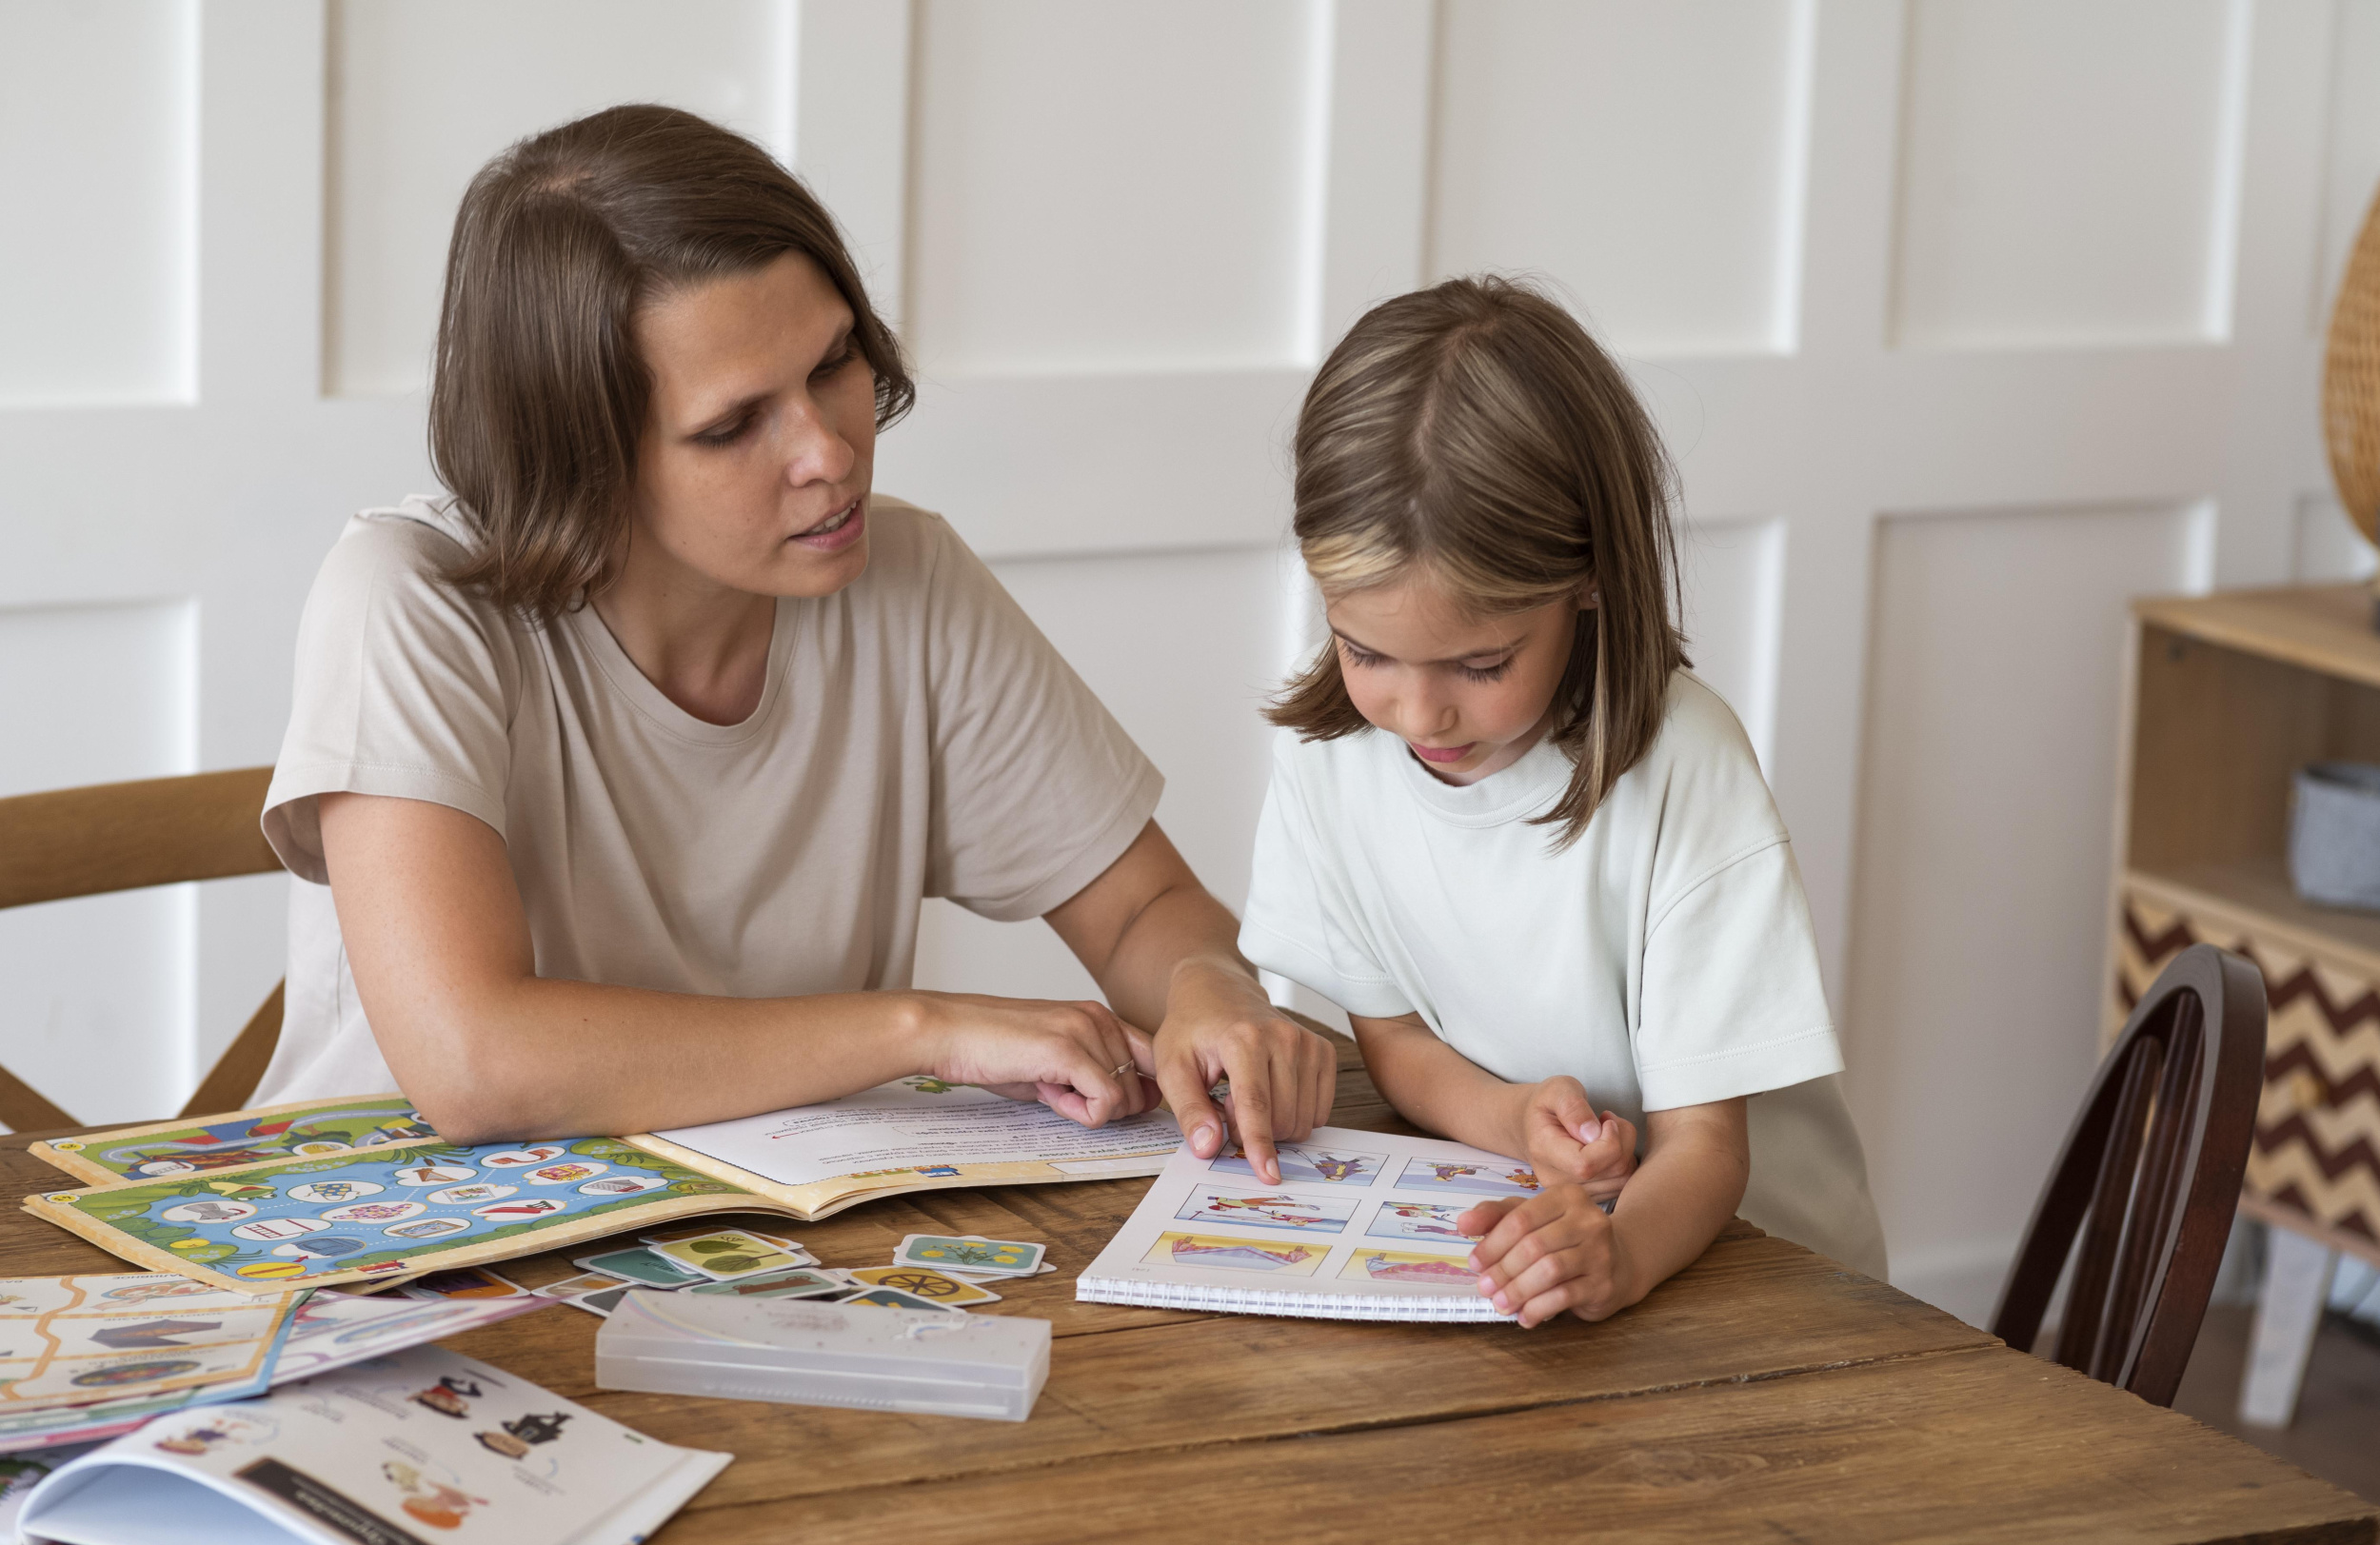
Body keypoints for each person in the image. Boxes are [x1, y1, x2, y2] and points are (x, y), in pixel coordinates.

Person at [251, 105, 1334, 1180]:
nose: (830, 451)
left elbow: (1145, 906)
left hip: (754, 1242)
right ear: (581, 453)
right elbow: (473, 1063)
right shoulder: (408, 598)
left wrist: (1211, 992)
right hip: (377, 1248)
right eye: (732, 425)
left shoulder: (907, 580)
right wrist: (925, 1030)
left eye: (832, 364)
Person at [1239, 277, 1887, 1324]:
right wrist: (1510, 1116)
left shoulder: (1686, 767)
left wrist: (1618, 1254)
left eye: (1481, 663)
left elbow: (1708, 1146)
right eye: (1365, 650)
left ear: (1588, 576)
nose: (1419, 712)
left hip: (1767, 1285)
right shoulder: (1333, 761)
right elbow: (1396, 1040)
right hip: (1557, 1260)